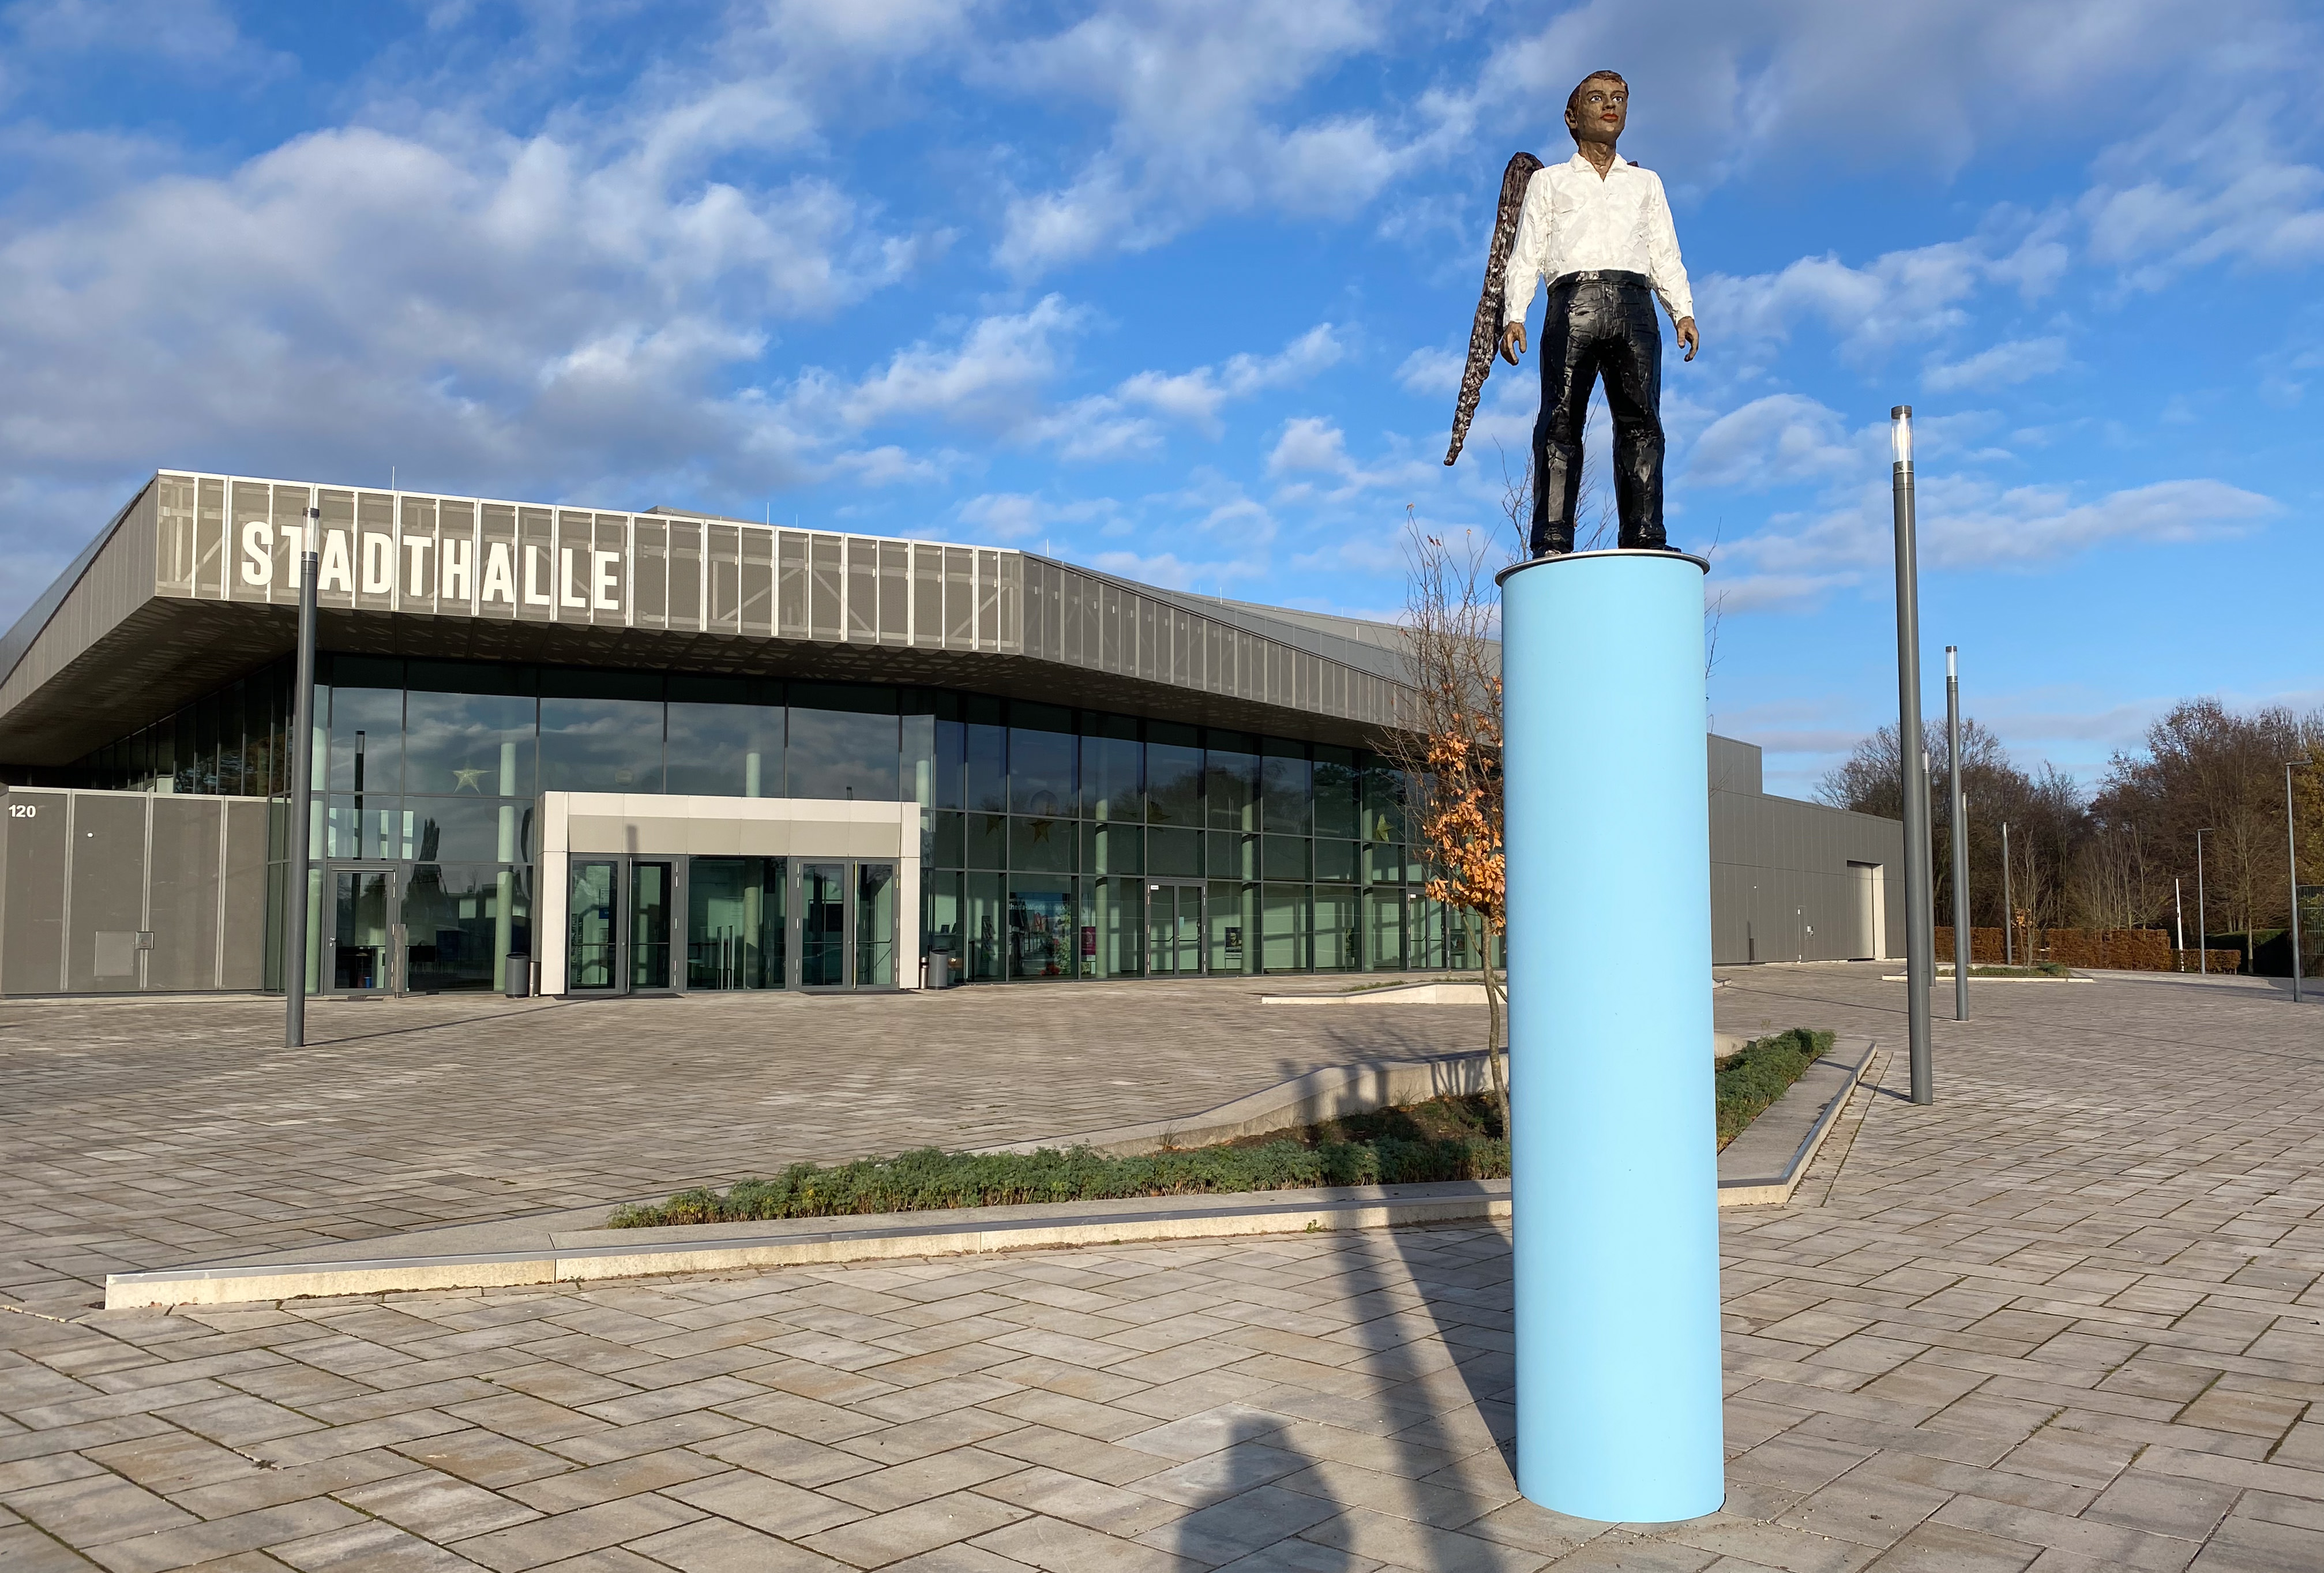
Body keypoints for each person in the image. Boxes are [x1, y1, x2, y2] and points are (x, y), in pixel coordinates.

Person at [1451, 71, 1698, 557]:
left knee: (1642, 422)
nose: (1610, 106)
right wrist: (1514, 314)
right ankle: (1552, 538)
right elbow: (1527, 251)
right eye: (1597, 98)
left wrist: (1682, 311)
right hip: (1572, 304)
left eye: (1619, 98)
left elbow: (1665, 253)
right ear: (1572, 116)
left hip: (1634, 303)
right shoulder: (1549, 182)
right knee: (1560, 421)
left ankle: (1645, 534)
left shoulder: (1645, 184)